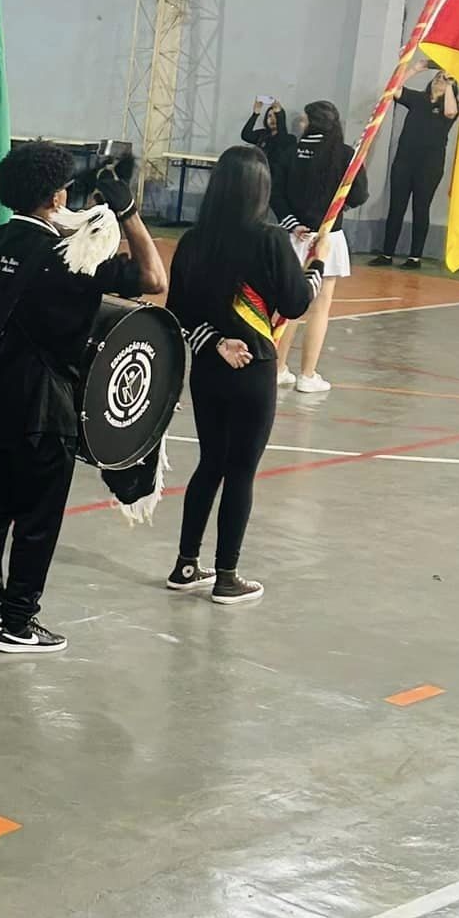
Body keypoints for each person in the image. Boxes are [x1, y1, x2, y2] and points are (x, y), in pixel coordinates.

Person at [0, 141, 167, 653]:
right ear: (56, 194)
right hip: (47, 399)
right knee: (38, 516)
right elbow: (154, 279)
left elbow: (54, 233)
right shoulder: (72, 257)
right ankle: (18, 622)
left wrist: (79, 217)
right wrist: (127, 215)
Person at [164, 145, 322, 605]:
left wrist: (213, 342)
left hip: (209, 368)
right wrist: (316, 265)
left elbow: (177, 314)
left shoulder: (194, 240)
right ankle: (227, 576)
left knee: (210, 463)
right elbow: (295, 303)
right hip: (254, 369)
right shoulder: (270, 240)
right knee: (241, 472)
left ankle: (186, 562)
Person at [271, 100, 366, 393]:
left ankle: (278, 368)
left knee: (288, 306)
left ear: (310, 122)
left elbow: (276, 194)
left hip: (293, 236)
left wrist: (293, 224)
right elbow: (359, 194)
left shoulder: (289, 152)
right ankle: (308, 375)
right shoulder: (346, 154)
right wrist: (334, 209)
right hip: (328, 237)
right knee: (320, 308)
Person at [372, 68, 459, 268]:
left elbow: (451, 112)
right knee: (396, 207)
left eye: (444, 79)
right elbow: (393, 88)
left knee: (421, 208)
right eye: (437, 77)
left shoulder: (450, 106)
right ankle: (387, 253)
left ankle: (414, 257)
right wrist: (417, 68)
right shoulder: (418, 99)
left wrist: (451, 82)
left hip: (429, 166)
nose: (439, 81)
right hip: (404, 160)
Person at [240, 96, 296, 191]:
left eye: (275, 116)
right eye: (270, 116)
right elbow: (246, 135)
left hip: (276, 182)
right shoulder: (263, 135)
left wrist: (279, 113)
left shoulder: (290, 138)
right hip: (257, 177)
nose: (273, 119)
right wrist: (256, 113)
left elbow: (281, 140)